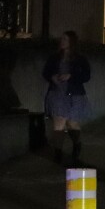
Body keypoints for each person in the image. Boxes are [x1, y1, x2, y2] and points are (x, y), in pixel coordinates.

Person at [42, 30, 91, 166]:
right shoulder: (54, 58)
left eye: (65, 39)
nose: (62, 41)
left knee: (72, 123)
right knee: (59, 123)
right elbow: (46, 72)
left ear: (71, 42)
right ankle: (58, 154)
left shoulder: (80, 59)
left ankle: (77, 144)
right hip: (57, 93)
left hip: (74, 95)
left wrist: (71, 76)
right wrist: (52, 77)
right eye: (62, 39)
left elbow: (86, 76)